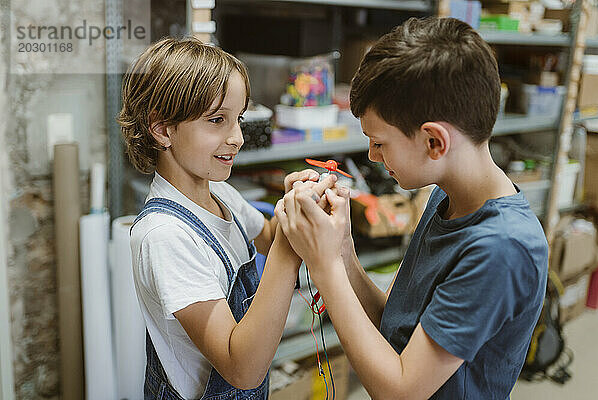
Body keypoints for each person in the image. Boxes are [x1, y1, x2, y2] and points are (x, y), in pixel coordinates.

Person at [276, 17, 548, 399]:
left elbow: (401, 391)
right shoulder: (446, 197)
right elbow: (398, 328)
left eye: (380, 143)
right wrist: (341, 249)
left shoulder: (502, 248)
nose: (372, 156)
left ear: (434, 142)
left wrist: (325, 266)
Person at [117, 37, 336, 399]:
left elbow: (266, 234)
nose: (236, 137)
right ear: (162, 129)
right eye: (217, 120)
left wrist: (296, 204)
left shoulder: (221, 194)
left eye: (239, 119)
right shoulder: (165, 236)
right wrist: (286, 246)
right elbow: (242, 369)